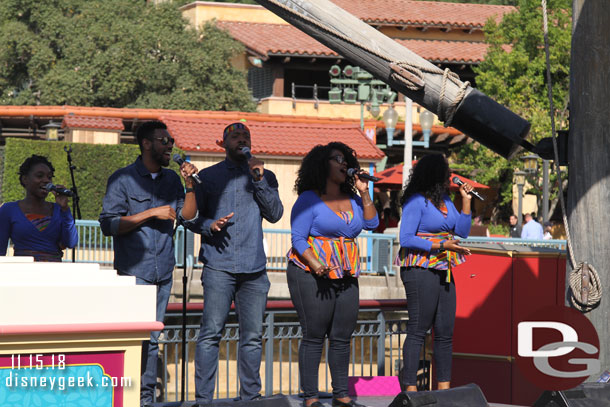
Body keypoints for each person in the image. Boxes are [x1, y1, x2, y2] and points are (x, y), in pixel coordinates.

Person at [99, 120, 198, 406]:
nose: (170, 145)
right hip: (134, 272)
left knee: (154, 340)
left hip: (163, 271)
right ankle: (125, 397)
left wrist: (189, 185)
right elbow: (108, 224)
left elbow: (188, 216)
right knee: (133, 338)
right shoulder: (123, 179)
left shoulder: (171, 180)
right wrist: (149, 213)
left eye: (170, 140)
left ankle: (146, 399)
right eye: (164, 140)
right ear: (146, 143)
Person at [186, 122, 283, 405]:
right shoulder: (209, 177)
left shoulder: (265, 175)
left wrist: (259, 179)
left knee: (252, 337)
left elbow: (275, 213)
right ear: (223, 143)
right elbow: (190, 218)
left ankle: (250, 398)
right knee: (210, 334)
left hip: (254, 269)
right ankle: (204, 399)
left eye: (246, 136)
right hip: (219, 266)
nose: (242, 140)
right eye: (236, 136)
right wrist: (209, 225)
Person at [287, 142, 378, 407]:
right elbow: (298, 238)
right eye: (336, 159)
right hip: (311, 273)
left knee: (342, 335)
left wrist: (364, 193)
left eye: (346, 159)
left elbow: (372, 223)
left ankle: (341, 395)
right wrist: (316, 264)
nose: (343, 163)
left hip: (346, 274)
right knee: (314, 334)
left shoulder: (352, 199)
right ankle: (311, 398)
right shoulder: (309, 199)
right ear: (322, 165)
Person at [395, 154, 473, 391]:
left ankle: (444, 390)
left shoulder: (446, 201)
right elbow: (405, 238)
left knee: (445, 331)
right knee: (419, 328)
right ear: (434, 173)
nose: (449, 174)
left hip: (443, 267)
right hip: (420, 267)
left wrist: (466, 201)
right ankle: (410, 389)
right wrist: (440, 245)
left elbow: (462, 230)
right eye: (445, 170)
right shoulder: (416, 202)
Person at [0, 155, 78, 261]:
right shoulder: (9, 210)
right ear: (25, 179)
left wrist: (65, 209)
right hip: (23, 272)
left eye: (49, 177)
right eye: (40, 176)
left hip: (53, 272)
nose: (46, 180)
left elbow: (71, 242)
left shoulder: (58, 210)